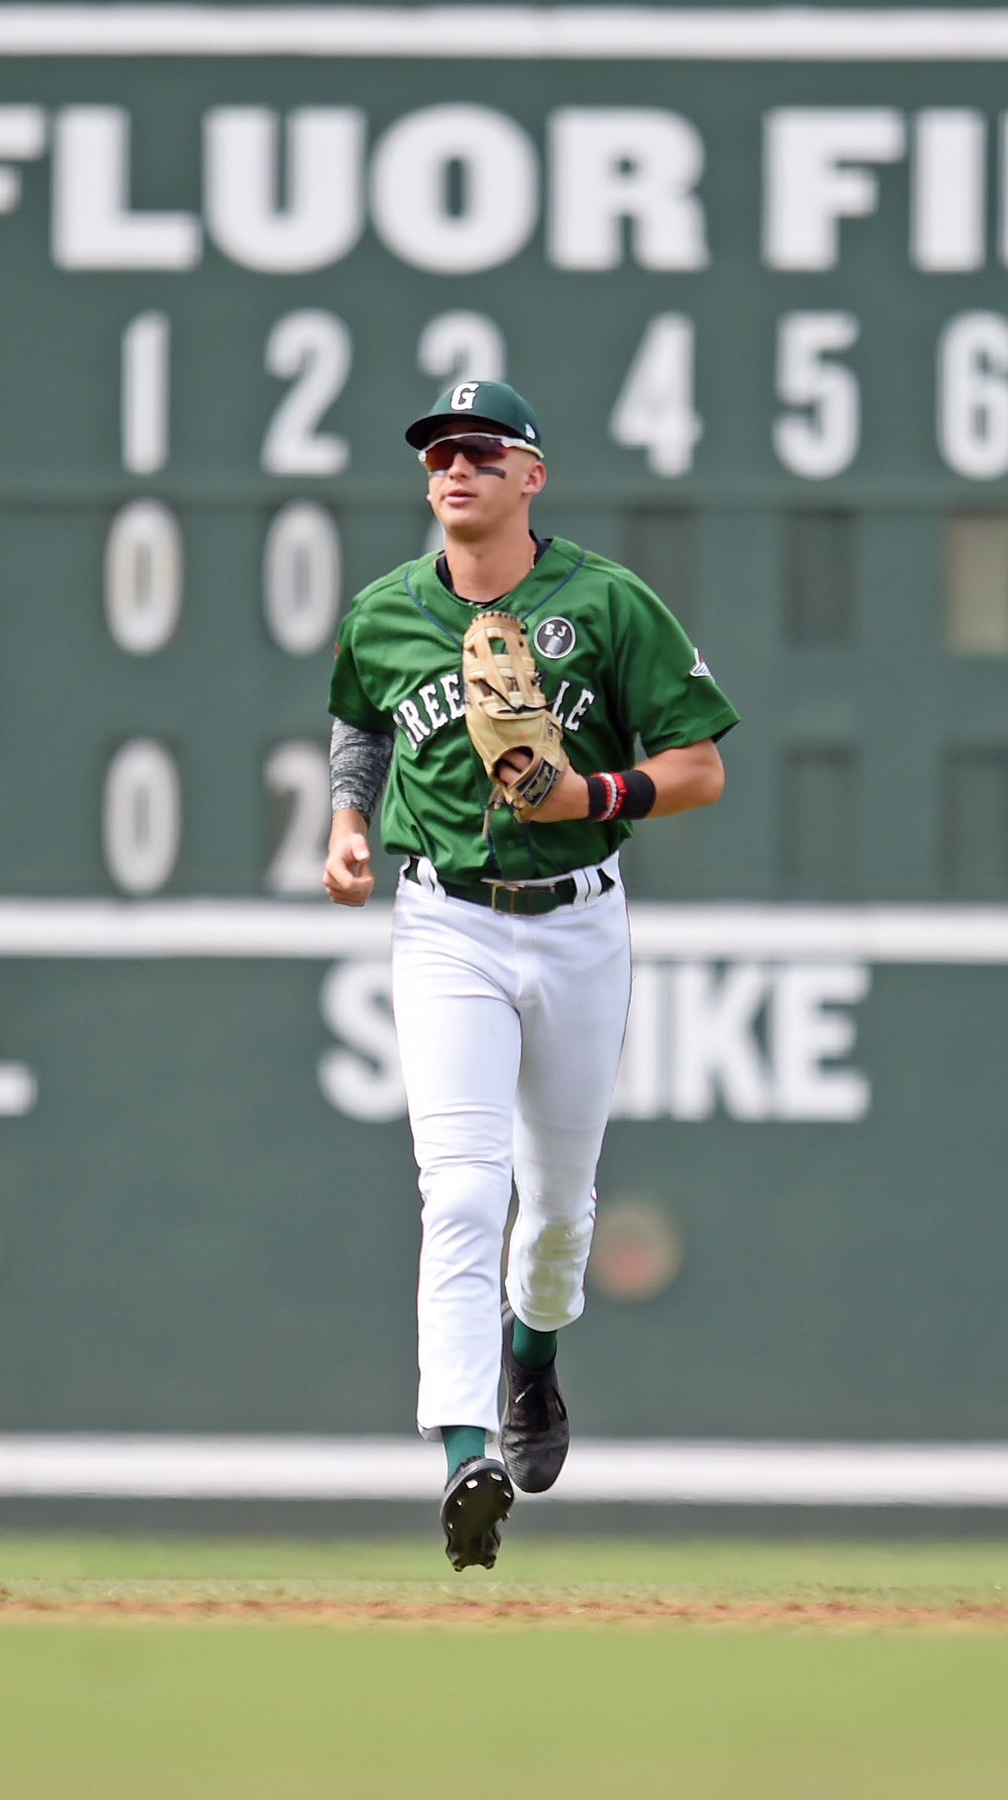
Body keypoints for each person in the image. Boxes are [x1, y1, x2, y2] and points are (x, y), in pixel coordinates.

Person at [318, 379, 739, 1568]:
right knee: (459, 1187)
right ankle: (463, 1456)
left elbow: (699, 764)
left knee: (555, 1212)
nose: (454, 469)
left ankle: (532, 1362)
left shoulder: (604, 604)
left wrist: (592, 796)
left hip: (576, 919)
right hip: (444, 920)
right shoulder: (388, 611)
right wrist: (348, 819)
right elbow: (359, 716)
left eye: (479, 453)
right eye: (438, 454)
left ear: (529, 477)